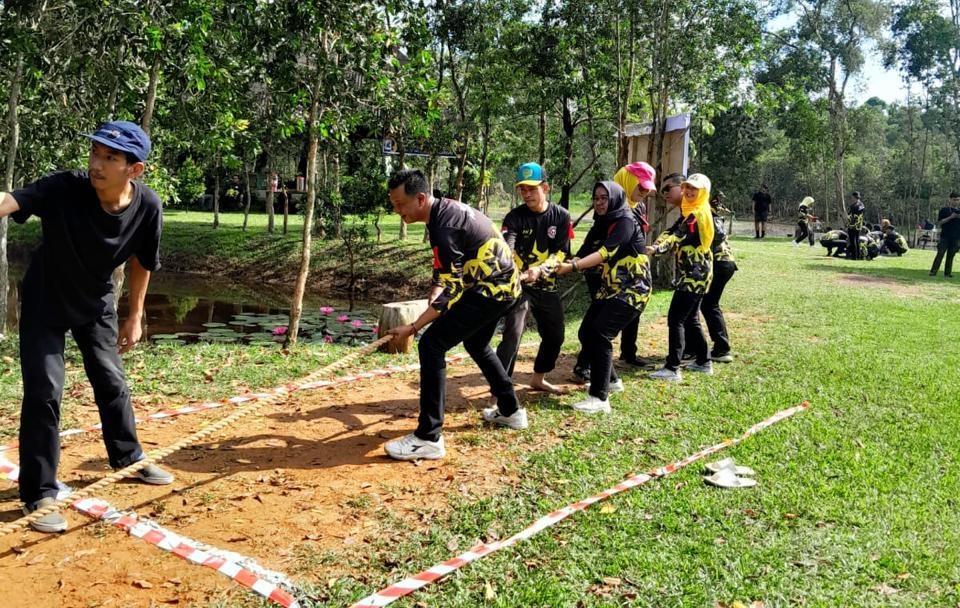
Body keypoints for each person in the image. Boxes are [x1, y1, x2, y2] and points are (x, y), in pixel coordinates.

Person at [0, 121, 174, 533]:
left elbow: (143, 262)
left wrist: (134, 315)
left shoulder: (147, 206)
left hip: (95, 302)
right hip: (45, 300)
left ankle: (128, 457)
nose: (97, 163)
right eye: (95, 153)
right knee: (45, 390)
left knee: (111, 378)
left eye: (110, 157)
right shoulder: (66, 187)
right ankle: (39, 492)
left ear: (134, 169)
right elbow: (13, 199)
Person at [385, 169, 526, 461]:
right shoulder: (444, 212)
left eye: (400, 204)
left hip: (491, 290)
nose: (396, 210)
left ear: (421, 198)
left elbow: (452, 291)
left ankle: (428, 437)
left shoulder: (442, 226)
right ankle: (512, 411)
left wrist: (412, 327)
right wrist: (437, 287)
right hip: (505, 285)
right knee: (476, 343)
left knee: (431, 344)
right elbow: (449, 268)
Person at [555, 181, 652, 413]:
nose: (599, 202)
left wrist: (572, 267)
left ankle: (599, 398)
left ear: (616, 199)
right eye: (596, 198)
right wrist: (556, 263)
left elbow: (604, 253)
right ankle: (612, 380)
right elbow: (583, 251)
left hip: (632, 288)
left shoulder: (626, 221)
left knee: (600, 333)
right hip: (610, 288)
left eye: (604, 198)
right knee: (586, 332)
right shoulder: (602, 222)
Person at [495, 163, 572, 394]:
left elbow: (561, 252)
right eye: (522, 189)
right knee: (513, 333)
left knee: (555, 335)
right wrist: (515, 272)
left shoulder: (561, 216)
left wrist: (541, 270)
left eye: (532, 188)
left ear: (545, 187)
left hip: (547, 285)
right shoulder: (515, 217)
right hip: (519, 286)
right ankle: (499, 391)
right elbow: (506, 247)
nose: (526, 194)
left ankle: (538, 378)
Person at [647, 173, 714, 382]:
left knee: (676, 318)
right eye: (687, 187)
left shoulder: (697, 214)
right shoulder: (690, 211)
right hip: (694, 273)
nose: (689, 191)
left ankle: (672, 368)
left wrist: (658, 249)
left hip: (695, 275)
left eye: (694, 189)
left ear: (703, 192)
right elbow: (672, 230)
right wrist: (658, 243)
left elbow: (679, 235)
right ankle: (704, 361)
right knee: (691, 318)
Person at [612, 161, 656, 366]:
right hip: (612, 270)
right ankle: (588, 361)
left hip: (634, 271)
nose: (644, 192)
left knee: (633, 310)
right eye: (641, 186)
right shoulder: (611, 203)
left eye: (647, 188)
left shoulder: (639, 206)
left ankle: (628, 353)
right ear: (628, 181)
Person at [700, 193, 737, 362]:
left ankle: (722, 348)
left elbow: (717, 237)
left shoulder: (709, 215)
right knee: (709, 304)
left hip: (720, 263)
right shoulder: (709, 214)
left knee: (709, 304)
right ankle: (721, 347)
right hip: (724, 263)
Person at [929, 192, 960, 277]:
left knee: (951, 256)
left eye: (958, 200)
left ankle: (947, 273)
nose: (956, 202)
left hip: (956, 237)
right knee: (940, 254)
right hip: (945, 236)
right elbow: (940, 222)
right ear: (950, 199)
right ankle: (933, 271)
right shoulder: (944, 210)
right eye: (954, 200)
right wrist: (951, 217)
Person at [846, 191, 866, 260]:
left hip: (852, 225)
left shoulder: (854, 206)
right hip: (859, 225)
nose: (851, 198)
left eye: (852, 197)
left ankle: (854, 256)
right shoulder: (862, 205)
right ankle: (858, 255)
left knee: (852, 241)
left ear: (854, 197)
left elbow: (850, 215)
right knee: (857, 241)